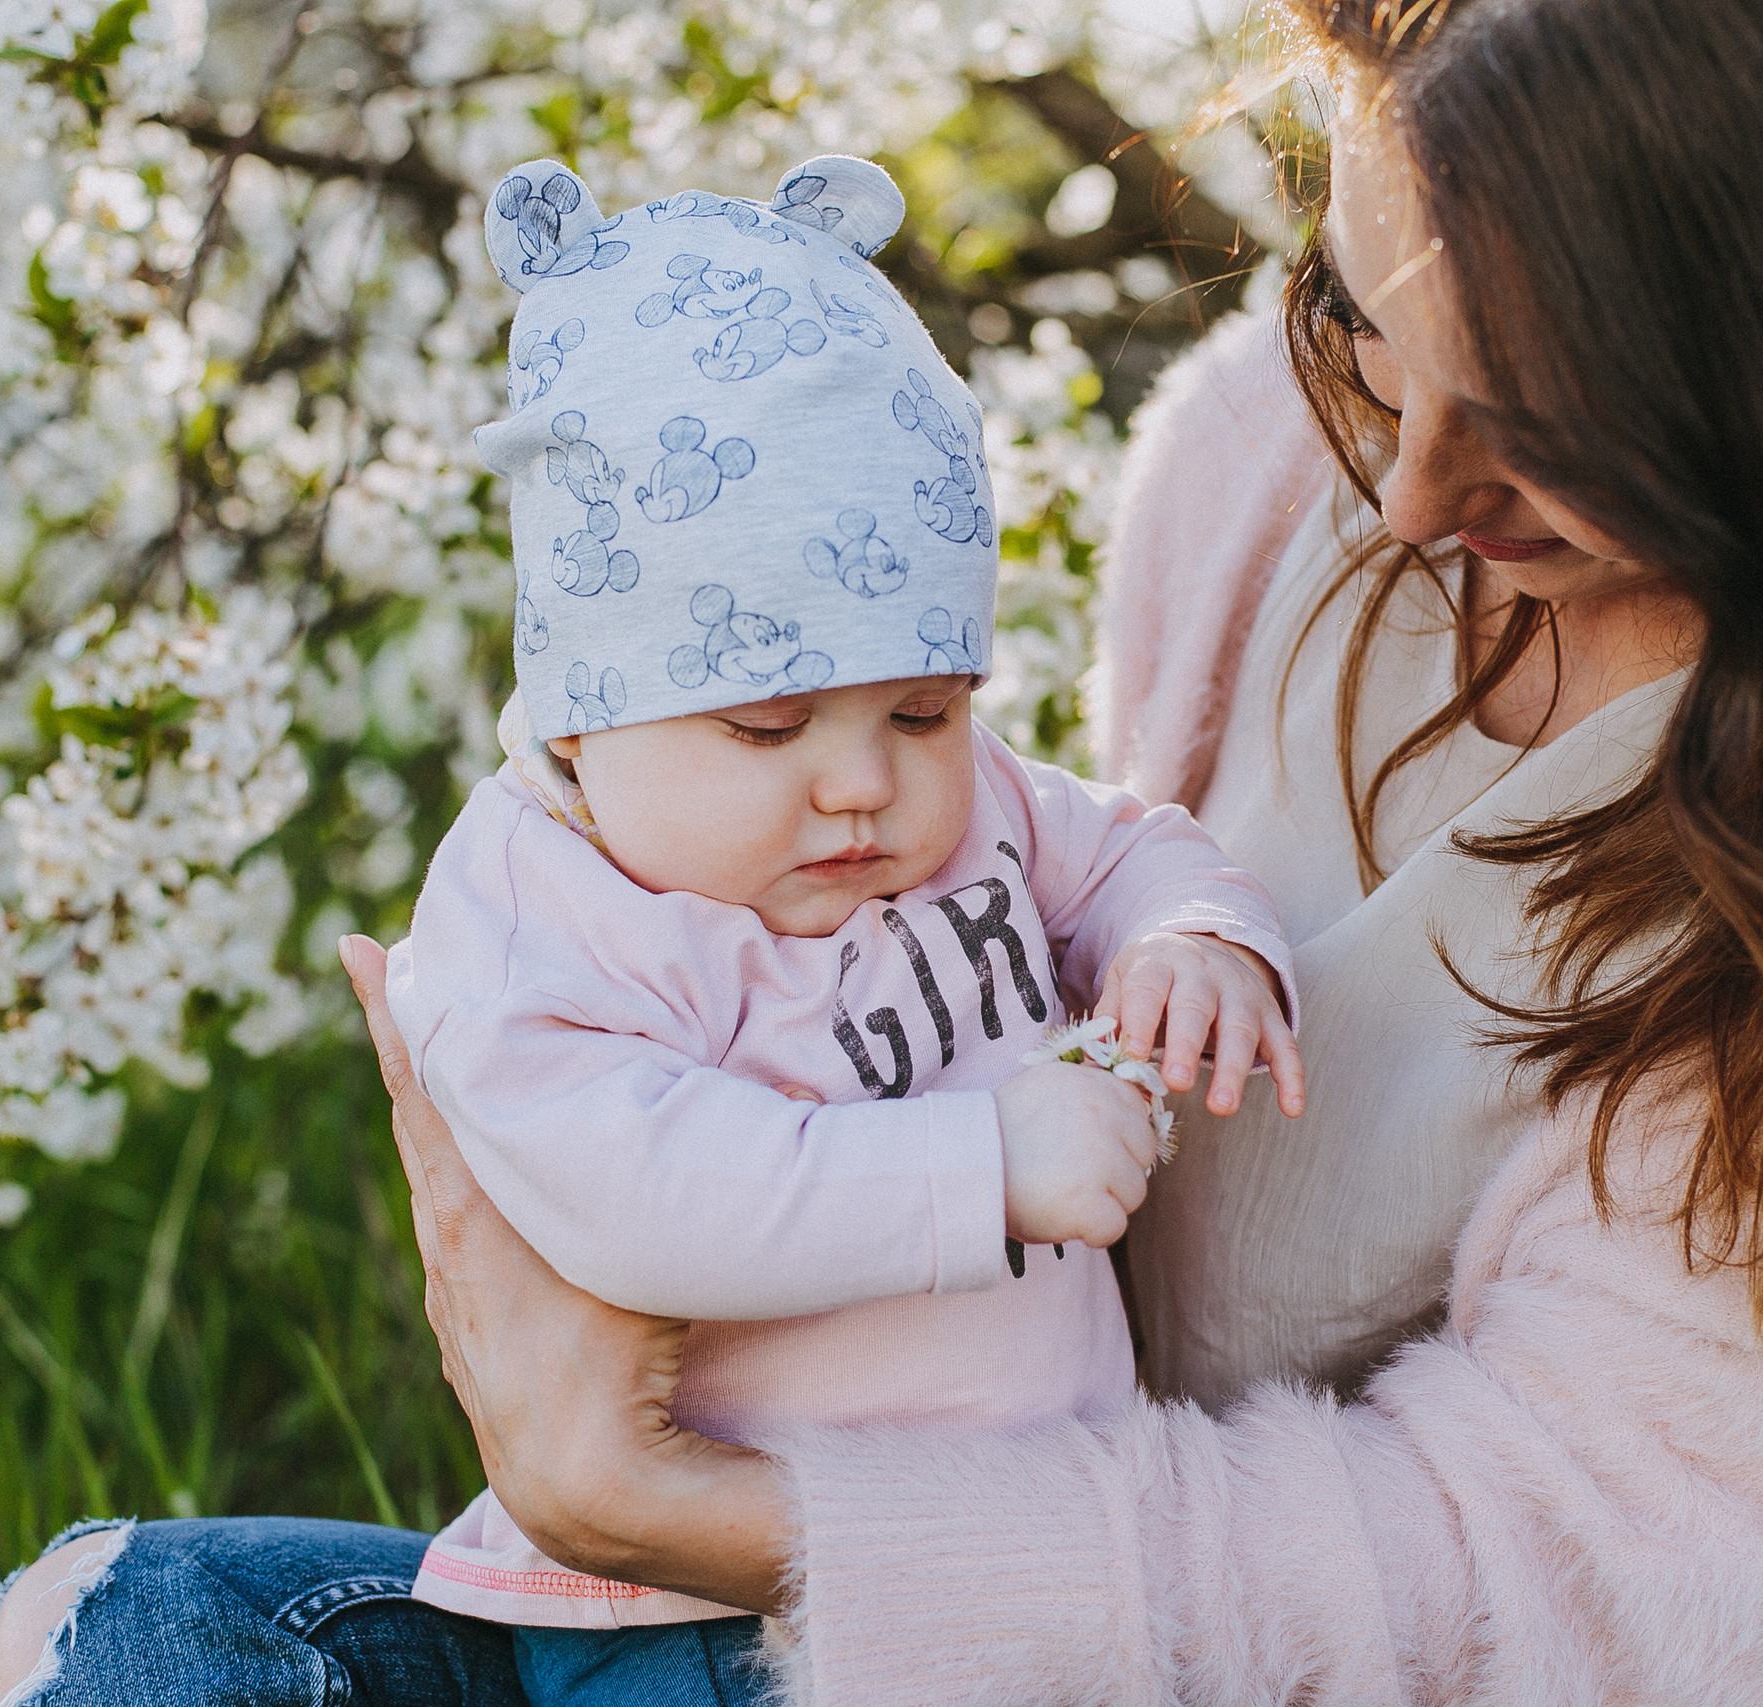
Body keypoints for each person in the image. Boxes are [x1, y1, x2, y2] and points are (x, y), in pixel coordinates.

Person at [0, 0, 1763, 1700]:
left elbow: (1522, 1578)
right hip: (1084, 1571)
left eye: (1561, 435)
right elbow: (1062, 902)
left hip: (1611, 1660)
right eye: (1385, 342)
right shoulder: (1276, 477)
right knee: (169, 1641)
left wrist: (687, 1513)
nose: (1405, 507)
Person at [379, 149, 1297, 1707]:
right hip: (691, 1614)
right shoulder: (545, 909)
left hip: (1022, 1544)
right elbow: (644, 1195)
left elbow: (1123, 847)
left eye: (924, 708)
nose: (865, 785)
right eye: (768, 727)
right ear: (589, 719)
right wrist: (983, 1167)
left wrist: (1189, 934)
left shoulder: (976, 805)